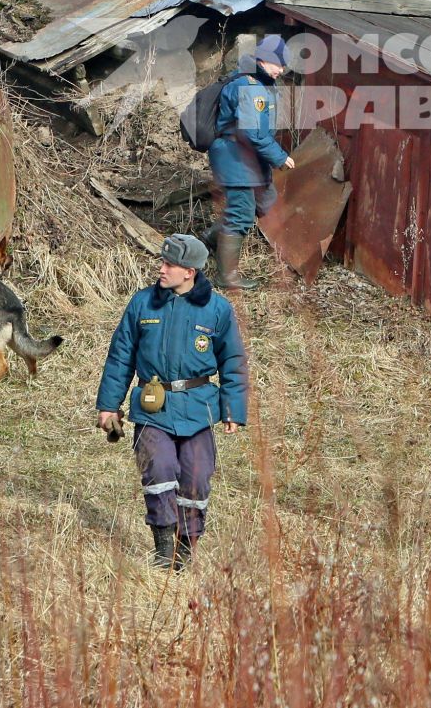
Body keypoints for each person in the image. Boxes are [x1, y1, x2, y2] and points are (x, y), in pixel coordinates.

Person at [96, 233, 249, 571]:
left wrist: (232, 409)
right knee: (160, 469)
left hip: (198, 408)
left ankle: (185, 548)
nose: (161, 269)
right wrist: (109, 405)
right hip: (153, 408)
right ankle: (163, 549)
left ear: (190, 271)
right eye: (162, 262)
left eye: (169, 264)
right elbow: (120, 357)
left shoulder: (218, 309)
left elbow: (233, 361)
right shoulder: (142, 304)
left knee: (197, 475)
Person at [206, 33, 295, 290]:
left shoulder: (261, 82)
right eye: (278, 63)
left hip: (247, 157)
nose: (282, 69)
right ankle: (227, 277)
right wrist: (280, 157)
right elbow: (254, 133)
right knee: (241, 214)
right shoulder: (250, 87)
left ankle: (210, 242)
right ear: (263, 60)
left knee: (264, 200)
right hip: (235, 157)